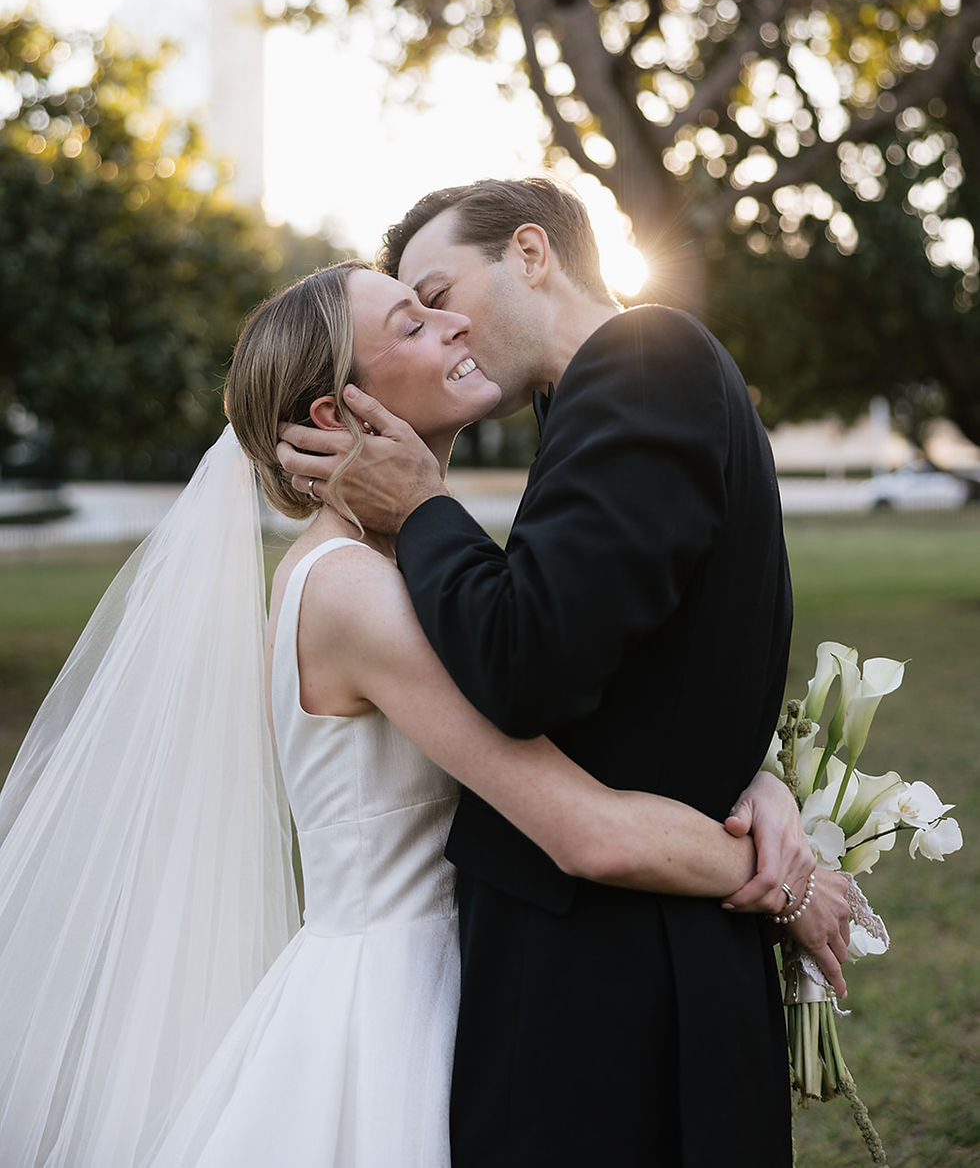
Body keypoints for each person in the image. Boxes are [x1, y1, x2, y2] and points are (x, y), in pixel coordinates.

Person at [0, 260, 847, 1168]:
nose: (454, 327)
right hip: (392, 1008)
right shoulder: (352, 591)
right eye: (413, 324)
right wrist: (790, 883)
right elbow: (583, 828)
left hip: (484, 971)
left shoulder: (420, 561)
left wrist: (755, 781)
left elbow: (571, 710)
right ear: (339, 416)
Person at [276, 178, 832, 1168]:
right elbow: (634, 668)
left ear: (531, 253)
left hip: (616, 974)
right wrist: (759, 801)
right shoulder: (593, 407)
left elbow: (525, 666)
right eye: (412, 319)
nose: (443, 332)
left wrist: (426, 507)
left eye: (437, 294)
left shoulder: (637, 363)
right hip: (599, 955)